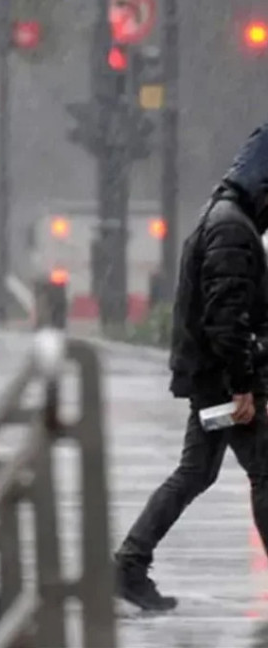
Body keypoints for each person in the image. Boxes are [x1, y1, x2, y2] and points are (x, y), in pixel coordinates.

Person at [114, 123, 268, 612]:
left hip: (212, 381)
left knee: (196, 471)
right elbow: (227, 318)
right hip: (223, 385)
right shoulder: (231, 228)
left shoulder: (219, 217)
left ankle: (129, 564)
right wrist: (243, 387)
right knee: (265, 471)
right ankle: (129, 563)